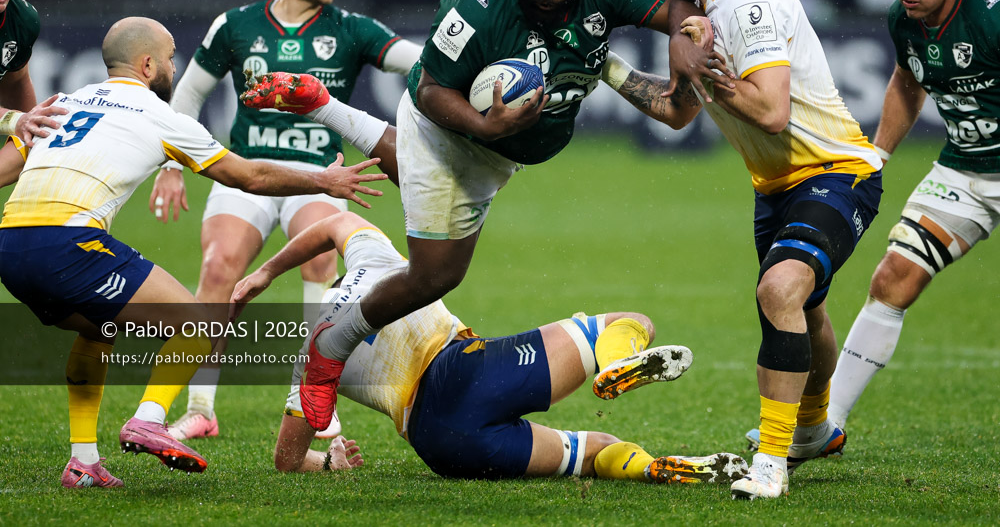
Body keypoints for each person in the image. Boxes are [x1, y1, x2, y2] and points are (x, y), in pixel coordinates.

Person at [272, 0, 728, 438]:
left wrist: (682, 42)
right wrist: (485, 127)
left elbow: (678, 11)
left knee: (676, 111)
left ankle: (323, 104)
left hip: (498, 151)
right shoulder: (476, 5)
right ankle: (330, 346)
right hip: (443, 133)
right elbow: (430, 90)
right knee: (436, 275)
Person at [0, 16, 386, 488]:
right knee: (200, 323)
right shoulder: (161, 116)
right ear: (147, 65)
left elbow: (7, 168)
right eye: (169, 57)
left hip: (10, 246)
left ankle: (83, 463)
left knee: (97, 329)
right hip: (69, 244)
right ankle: (148, 420)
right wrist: (323, 181)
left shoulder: (63, 102)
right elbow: (249, 177)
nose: (174, 66)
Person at [603, 0, 883, 499]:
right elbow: (677, 112)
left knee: (779, 290)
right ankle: (813, 430)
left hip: (836, 172)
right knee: (805, 309)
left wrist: (705, 73)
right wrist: (605, 66)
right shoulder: (707, 10)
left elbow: (772, 111)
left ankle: (771, 465)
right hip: (776, 188)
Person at [231, 210, 749, 484]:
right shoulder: (374, 261)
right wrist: (264, 272)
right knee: (631, 322)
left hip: (439, 444)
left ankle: (650, 468)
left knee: (591, 453)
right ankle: (617, 361)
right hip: (463, 375)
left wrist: (329, 464)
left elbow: (286, 460)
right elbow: (330, 224)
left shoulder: (311, 353)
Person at [150, 0, 421, 441]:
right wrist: (171, 166)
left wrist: (469, 57)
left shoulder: (352, 28)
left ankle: (309, 400)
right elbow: (188, 94)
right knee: (219, 267)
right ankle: (201, 408)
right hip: (245, 171)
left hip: (321, 175)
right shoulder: (236, 25)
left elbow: (418, 60)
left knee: (320, 262)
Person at [823, 0, 1000, 428]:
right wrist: (878, 154)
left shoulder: (992, 17)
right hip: (963, 170)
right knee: (892, 278)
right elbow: (907, 81)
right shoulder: (903, 20)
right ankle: (825, 424)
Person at [0, 0, 69, 146]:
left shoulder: (22, 20)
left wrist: (32, 129)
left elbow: (16, 83)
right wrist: (15, 120)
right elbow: (18, 120)